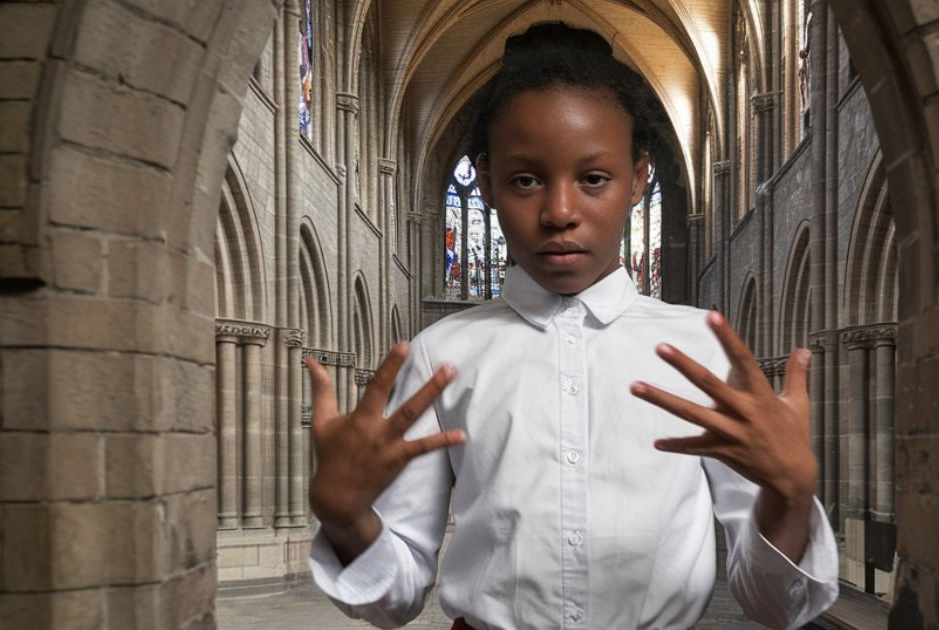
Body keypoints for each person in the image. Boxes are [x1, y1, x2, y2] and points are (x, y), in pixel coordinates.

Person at [306, 22, 838, 630]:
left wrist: (790, 495)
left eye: (593, 178)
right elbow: (393, 599)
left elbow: (773, 605)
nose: (559, 213)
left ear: (638, 179)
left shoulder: (703, 351)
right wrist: (347, 516)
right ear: (485, 180)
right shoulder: (438, 357)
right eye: (526, 179)